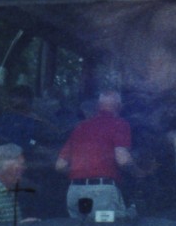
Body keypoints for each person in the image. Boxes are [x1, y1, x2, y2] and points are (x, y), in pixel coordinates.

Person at [55, 90, 133, 218]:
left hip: (75, 191)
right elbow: (123, 160)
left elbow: (60, 165)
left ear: (98, 106)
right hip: (101, 194)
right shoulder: (119, 124)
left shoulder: (80, 127)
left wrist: (82, 173)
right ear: (120, 106)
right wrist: (138, 172)